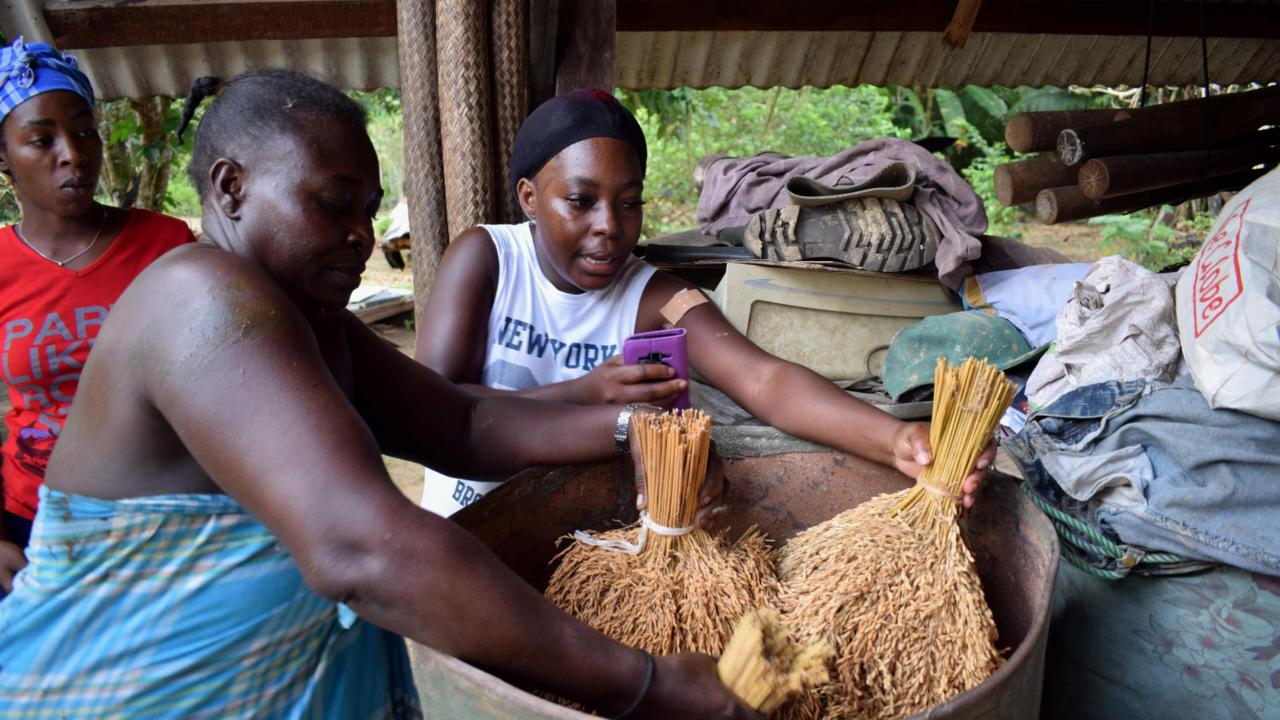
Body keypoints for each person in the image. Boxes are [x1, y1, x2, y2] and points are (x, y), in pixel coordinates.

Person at [0, 69, 756, 719]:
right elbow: (359, 546)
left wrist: (630, 427)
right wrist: (646, 682)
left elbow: (463, 420)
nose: (363, 234)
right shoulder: (201, 297)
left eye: (369, 208)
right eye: (334, 204)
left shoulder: (304, 319)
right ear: (231, 188)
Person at [415, 88, 992, 517]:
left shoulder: (655, 297)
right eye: (580, 201)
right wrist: (584, 396)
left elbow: (766, 383)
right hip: (466, 519)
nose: (609, 228)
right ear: (529, 198)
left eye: (629, 202)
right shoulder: (486, 259)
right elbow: (435, 406)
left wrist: (897, 441)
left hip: (579, 537)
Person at [0, 38, 195, 593]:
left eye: (85, 131)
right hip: (35, 528)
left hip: (165, 524)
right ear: (3, 155)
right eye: (43, 139)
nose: (74, 153)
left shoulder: (166, 244)